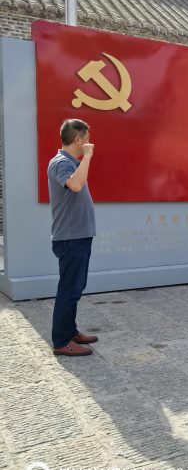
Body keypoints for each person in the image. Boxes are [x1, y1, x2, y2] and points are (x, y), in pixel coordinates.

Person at [47, 119, 98, 356]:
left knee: (75, 287)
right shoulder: (61, 163)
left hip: (78, 236)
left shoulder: (69, 163)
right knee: (69, 289)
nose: (89, 142)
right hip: (70, 238)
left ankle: (70, 331)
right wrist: (87, 156)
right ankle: (61, 342)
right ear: (78, 139)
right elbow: (75, 186)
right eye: (87, 138)